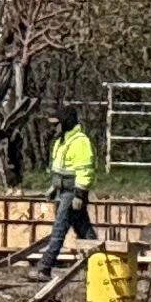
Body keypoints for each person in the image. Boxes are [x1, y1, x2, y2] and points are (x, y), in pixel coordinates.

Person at [41, 109, 99, 270]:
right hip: (64, 191)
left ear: (65, 123)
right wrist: (54, 187)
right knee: (84, 229)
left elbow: (85, 171)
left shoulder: (80, 142)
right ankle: (97, 262)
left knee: (59, 228)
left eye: (56, 124)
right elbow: (61, 169)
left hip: (73, 192)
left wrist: (79, 195)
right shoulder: (62, 141)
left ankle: (45, 266)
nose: (53, 128)